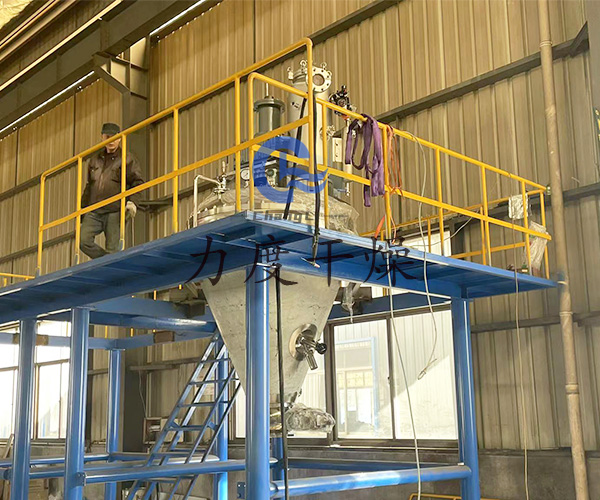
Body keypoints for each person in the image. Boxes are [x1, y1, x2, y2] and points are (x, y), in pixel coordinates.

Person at [80, 122, 144, 259]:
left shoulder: (127, 158)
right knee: (83, 241)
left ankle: (110, 259)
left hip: (115, 211)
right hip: (94, 211)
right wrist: (82, 211)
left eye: (114, 137)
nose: (111, 141)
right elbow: (89, 186)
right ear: (102, 137)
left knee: (113, 249)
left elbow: (137, 182)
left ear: (119, 138)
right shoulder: (94, 160)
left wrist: (133, 202)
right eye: (107, 137)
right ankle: (107, 259)